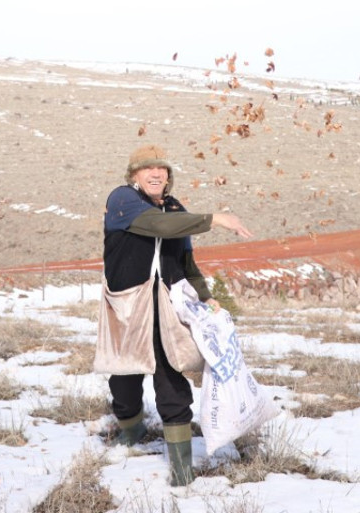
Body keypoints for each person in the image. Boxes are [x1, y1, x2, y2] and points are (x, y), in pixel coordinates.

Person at [103, 144, 253, 486]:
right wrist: (216, 219)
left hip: (167, 305)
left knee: (171, 375)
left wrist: (207, 296)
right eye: (148, 169)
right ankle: (131, 427)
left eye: (163, 169)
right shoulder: (123, 199)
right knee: (123, 376)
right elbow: (159, 226)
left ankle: (182, 469)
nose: (157, 174)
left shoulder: (174, 207)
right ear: (134, 175)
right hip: (127, 303)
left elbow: (185, 260)